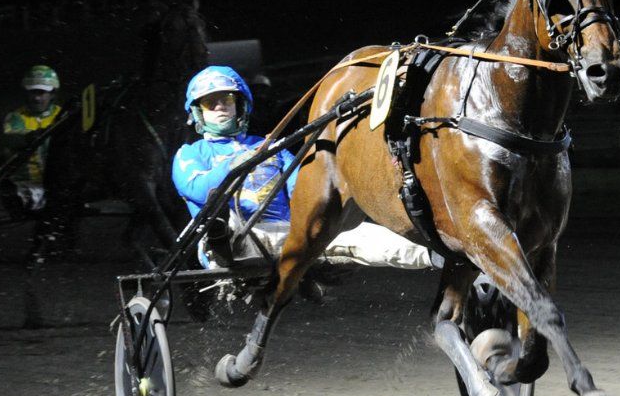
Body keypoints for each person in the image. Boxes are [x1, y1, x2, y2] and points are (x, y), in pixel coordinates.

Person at [172, 65, 437, 271]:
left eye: (226, 99)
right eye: (210, 102)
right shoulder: (190, 154)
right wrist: (235, 163)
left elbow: (305, 191)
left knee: (358, 234)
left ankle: (438, 257)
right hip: (234, 240)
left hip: (287, 235)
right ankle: (221, 242)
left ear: (239, 105)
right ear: (198, 113)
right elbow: (196, 189)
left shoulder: (272, 147)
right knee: (218, 216)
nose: (219, 106)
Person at [1, 64, 62, 213]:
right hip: (26, 184)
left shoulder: (63, 116)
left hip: (59, 183)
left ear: (53, 93)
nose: (36, 98)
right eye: (33, 92)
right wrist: (29, 136)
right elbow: (10, 138)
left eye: (42, 92)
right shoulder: (16, 117)